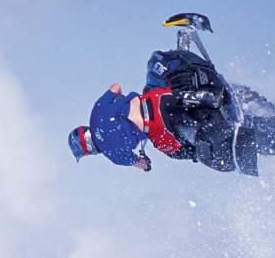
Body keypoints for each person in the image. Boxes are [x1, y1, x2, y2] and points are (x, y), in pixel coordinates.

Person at [68, 50, 242, 173]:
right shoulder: (96, 112)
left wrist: (145, 164)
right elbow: (116, 87)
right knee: (168, 96)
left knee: (178, 153)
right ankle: (200, 97)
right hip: (155, 101)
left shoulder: (114, 156)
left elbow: (141, 164)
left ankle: (205, 149)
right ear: (85, 131)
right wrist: (121, 99)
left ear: (89, 150)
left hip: (158, 128)